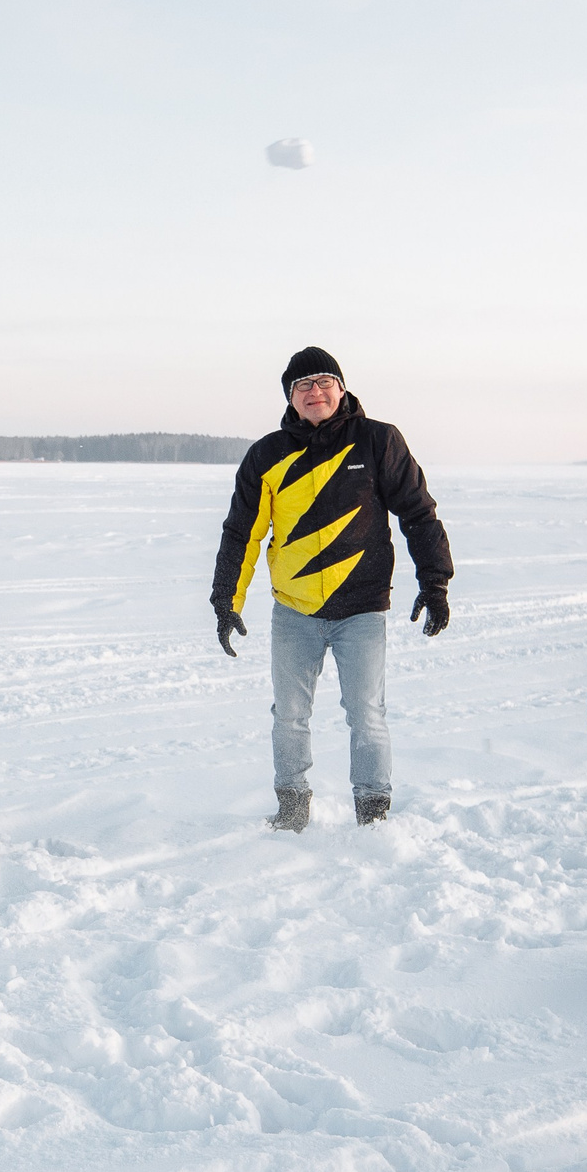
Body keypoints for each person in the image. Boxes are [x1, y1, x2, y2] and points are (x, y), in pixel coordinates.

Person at [212, 346, 453, 830]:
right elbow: (244, 531)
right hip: (295, 612)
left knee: (366, 715)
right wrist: (226, 600)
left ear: (341, 389)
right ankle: (293, 809)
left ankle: (373, 812)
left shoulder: (377, 441)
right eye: (303, 386)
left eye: (324, 382)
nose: (315, 392)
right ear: (290, 397)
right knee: (289, 716)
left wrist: (435, 581)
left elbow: (417, 512)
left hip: (361, 609)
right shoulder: (267, 455)